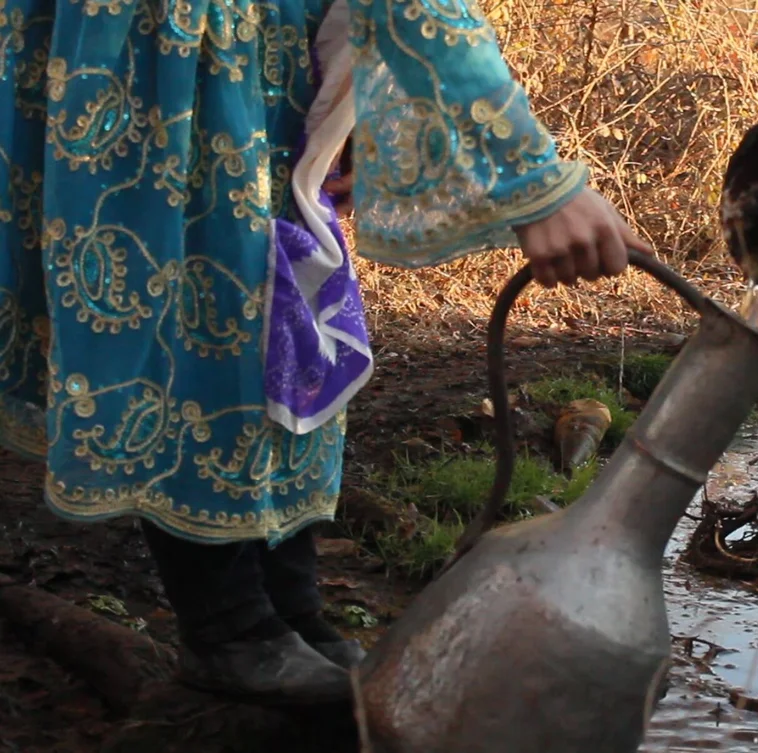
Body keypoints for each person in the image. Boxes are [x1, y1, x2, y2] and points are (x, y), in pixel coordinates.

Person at [0, 0, 651, 705]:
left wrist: (338, 88)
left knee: (287, 307)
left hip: (252, 53)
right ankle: (228, 624)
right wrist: (536, 183)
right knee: (203, 314)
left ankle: (291, 604)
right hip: (165, 56)